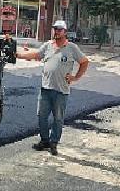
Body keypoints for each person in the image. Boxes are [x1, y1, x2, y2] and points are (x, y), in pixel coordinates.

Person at [16, 20, 88, 156]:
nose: (57, 32)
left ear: (65, 32)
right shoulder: (48, 45)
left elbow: (84, 62)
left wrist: (75, 77)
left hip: (61, 91)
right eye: (55, 29)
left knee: (58, 118)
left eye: (60, 30)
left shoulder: (72, 48)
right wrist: (19, 55)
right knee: (41, 116)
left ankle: (54, 143)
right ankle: (44, 141)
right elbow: (37, 55)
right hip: (45, 88)